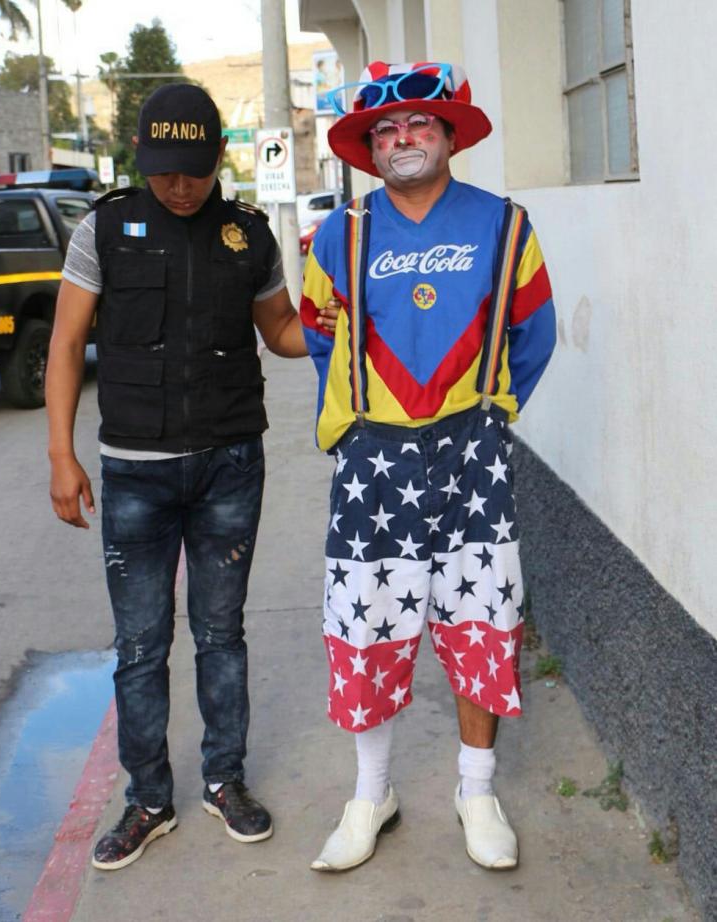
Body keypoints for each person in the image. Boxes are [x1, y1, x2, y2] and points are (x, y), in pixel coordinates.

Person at [45, 82, 334, 871]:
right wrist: (61, 454)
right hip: (134, 471)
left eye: (195, 171)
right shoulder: (102, 228)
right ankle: (147, 800)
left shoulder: (247, 234)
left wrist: (331, 325)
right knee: (139, 646)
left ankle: (224, 781)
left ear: (217, 160)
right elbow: (67, 344)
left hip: (230, 463)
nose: (180, 186)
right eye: (166, 171)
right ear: (143, 160)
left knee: (221, 635)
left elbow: (276, 329)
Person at [299, 61, 556, 872]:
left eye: (417, 124)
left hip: (472, 454)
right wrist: (353, 426)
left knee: (482, 619)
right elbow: (317, 331)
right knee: (365, 624)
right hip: (372, 461)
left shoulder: (505, 224)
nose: (401, 138)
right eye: (384, 129)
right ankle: (372, 791)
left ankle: (476, 788)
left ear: (448, 135)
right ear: (369, 148)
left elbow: (535, 332)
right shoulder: (340, 233)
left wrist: (488, 409)